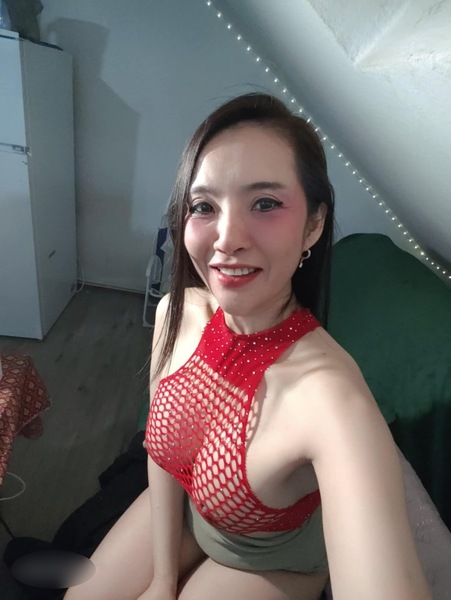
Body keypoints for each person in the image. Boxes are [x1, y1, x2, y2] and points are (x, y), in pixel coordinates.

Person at [64, 93, 431, 600]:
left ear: (314, 223)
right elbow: (164, 461)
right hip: (191, 517)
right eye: (204, 207)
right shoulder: (177, 313)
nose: (227, 238)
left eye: (265, 204)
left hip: (272, 561)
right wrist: (163, 580)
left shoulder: (329, 398)